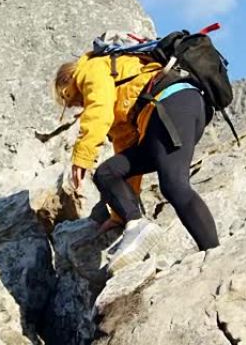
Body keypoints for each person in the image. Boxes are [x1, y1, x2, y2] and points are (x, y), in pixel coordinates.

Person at [53, 51, 220, 272]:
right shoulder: (118, 88)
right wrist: (121, 214)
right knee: (107, 173)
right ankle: (136, 225)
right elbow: (124, 141)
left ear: (67, 85)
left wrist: (82, 156)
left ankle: (215, 257)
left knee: (174, 185)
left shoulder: (89, 70)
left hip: (170, 105)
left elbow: (98, 109)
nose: (76, 105)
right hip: (168, 115)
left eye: (69, 100)